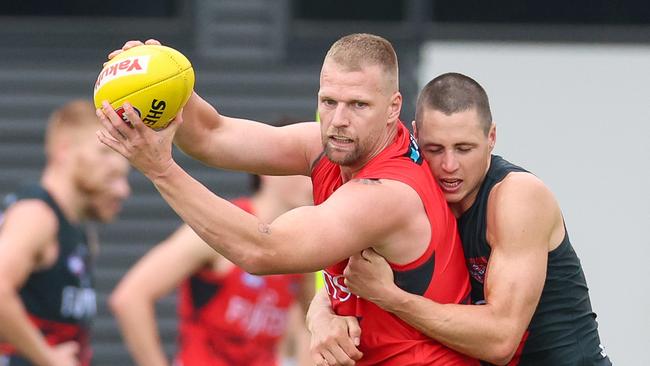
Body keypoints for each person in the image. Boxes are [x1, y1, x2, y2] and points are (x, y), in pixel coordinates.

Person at [96, 34, 477, 365]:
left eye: (358, 105)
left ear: (393, 108)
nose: (339, 120)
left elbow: (263, 251)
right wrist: (164, 81)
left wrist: (161, 171)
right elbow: (212, 134)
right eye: (329, 102)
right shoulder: (328, 147)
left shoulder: (388, 194)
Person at [307, 73, 612, 365]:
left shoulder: (517, 197)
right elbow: (355, 279)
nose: (449, 165)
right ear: (416, 136)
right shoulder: (414, 192)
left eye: (464, 149)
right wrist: (320, 317)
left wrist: (391, 297)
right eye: (435, 149)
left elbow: (500, 340)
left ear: (491, 137)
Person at [108, 174, 315, 366]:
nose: (312, 181)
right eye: (301, 170)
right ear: (267, 171)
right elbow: (130, 298)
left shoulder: (302, 247)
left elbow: (312, 324)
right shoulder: (222, 228)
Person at [0, 100, 131, 366]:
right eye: (104, 151)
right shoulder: (37, 215)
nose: (116, 165)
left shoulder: (78, 230)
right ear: (64, 150)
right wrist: (46, 357)